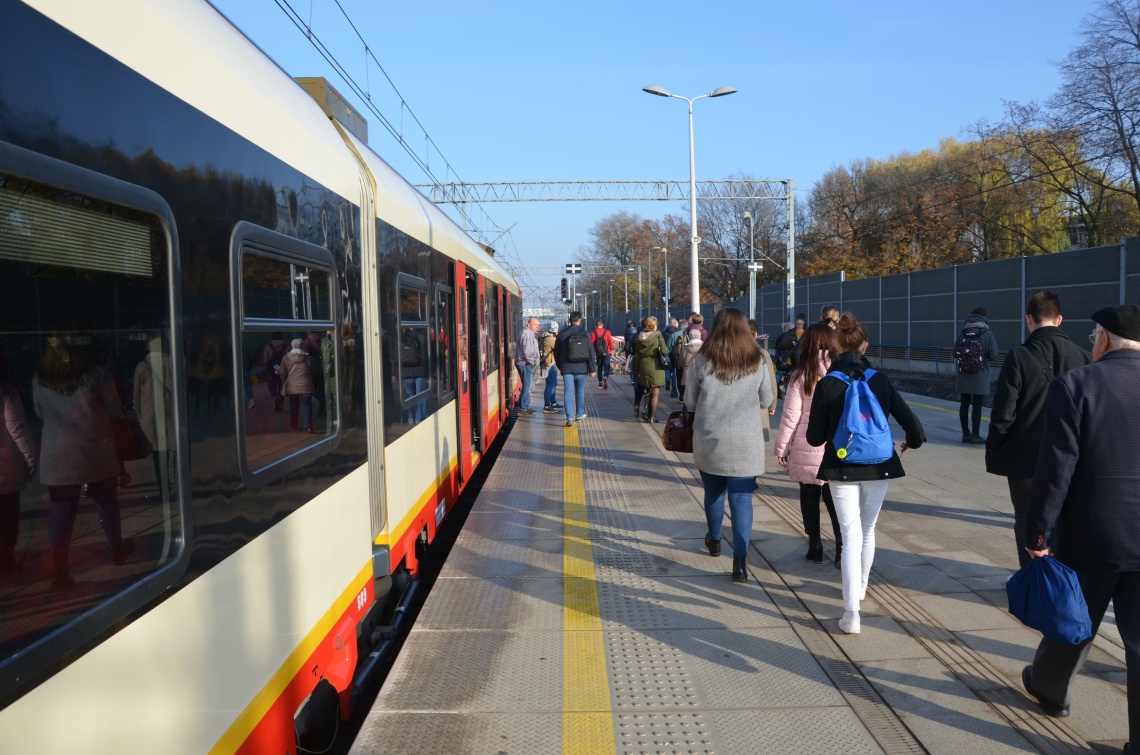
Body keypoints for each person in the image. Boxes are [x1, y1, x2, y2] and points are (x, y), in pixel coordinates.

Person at [1021, 305, 1140, 753]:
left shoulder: (1075, 386)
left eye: (1094, 336)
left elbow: (1055, 472)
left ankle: (1052, 690)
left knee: (1074, 621)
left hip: (1092, 535)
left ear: (1105, 339)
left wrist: (1037, 536)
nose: (1092, 343)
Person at [807, 312, 925, 634]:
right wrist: (912, 442)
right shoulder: (880, 379)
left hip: (841, 467)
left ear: (836, 347)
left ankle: (851, 614)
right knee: (868, 528)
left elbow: (814, 438)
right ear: (865, 344)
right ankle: (860, 586)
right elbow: (909, 420)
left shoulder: (829, 383)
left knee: (849, 535)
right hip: (878, 466)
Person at [986, 292, 1089, 567]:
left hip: (1025, 458)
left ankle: (1031, 576)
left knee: (1025, 516)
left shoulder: (1018, 356)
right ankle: (1061, 576)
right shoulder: (1083, 358)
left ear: (1028, 319)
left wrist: (996, 445)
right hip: (1071, 457)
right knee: (1064, 516)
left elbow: (1003, 413)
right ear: (1060, 319)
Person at [34, 334, 133, 590]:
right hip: (94, 453)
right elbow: (115, 409)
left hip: (56, 455)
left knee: (61, 513)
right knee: (106, 502)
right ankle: (116, 550)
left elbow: (38, 411)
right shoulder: (97, 375)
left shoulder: (40, 378)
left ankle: (59, 572)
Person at [684, 308, 774, 583]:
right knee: (742, 499)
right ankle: (740, 562)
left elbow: (689, 402)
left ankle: (714, 539)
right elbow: (766, 399)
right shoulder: (757, 359)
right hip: (747, 441)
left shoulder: (701, 360)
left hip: (711, 439)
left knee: (714, 494)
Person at [776, 324, 843, 567]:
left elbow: (791, 416)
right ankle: (841, 548)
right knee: (835, 498)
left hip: (807, 443)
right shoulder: (841, 371)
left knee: (808, 494)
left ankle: (814, 544)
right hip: (836, 447)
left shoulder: (801, 373)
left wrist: (782, 447)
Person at [0, 354, 36, 573]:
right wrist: (30, 459)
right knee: (8, 515)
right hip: (6, 470)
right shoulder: (6, 391)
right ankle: (7, 559)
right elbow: (17, 429)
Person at [954, 306, 999, 444]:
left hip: (963, 374)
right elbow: (994, 355)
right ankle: (975, 435)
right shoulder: (987, 334)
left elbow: (954, 353)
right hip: (980, 375)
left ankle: (965, 434)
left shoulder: (963, 333)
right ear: (985, 318)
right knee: (977, 405)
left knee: (965, 403)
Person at [554, 311, 596, 427]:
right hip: (581, 367)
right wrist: (592, 369)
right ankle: (579, 414)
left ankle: (569, 418)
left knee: (568, 391)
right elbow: (591, 352)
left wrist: (560, 366)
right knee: (580, 391)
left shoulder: (562, 334)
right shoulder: (585, 334)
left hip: (567, 368)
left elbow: (556, 353)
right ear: (579, 321)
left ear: (569, 321)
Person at [634, 316, 669, 423]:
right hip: (656, 365)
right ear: (653, 326)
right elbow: (665, 351)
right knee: (655, 392)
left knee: (647, 390)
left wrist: (638, 369)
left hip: (644, 365)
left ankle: (645, 409)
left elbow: (637, 355)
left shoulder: (640, 336)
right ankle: (652, 416)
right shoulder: (658, 335)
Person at [279, 338, 316, 432]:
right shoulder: (308, 358)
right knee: (306, 404)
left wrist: (284, 381)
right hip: (306, 385)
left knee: (293, 405)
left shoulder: (286, 358)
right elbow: (314, 371)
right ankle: (308, 426)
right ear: (302, 346)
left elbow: (282, 372)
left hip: (292, 386)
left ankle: (294, 423)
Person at [750, 319, 778, 441]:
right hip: (760, 405)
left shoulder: (734, 354)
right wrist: (772, 405)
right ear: (756, 334)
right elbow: (771, 381)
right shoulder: (762, 354)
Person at [516, 317, 540, 416]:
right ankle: (522, 408)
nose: (537, 327)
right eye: (535, 325)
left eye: (538, 325)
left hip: (526, 363)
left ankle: (526, 406)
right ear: (529, 324)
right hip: (526, 364)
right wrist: (532, 362)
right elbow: (527, 351)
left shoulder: (529, 333)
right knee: (527, 386)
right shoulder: (527, 334)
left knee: (528, 385)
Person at [540, 322, 563, 413]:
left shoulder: (547, 337)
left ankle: (553, 402)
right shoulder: (550, 339)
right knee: (550, 384)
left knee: (553, 383)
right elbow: (559, 348)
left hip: (551, 363)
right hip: (549, 364)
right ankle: (547, 405)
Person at [676, 328, 702, 403]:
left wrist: (683, 367)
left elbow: (681, 361)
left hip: (687, 372)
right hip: (701, 371)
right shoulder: (704, 347)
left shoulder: (685, 348)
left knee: (688, 393)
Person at [666, 323, 691, 398]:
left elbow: (669, 347)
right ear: (686, 325)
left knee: (677, 375)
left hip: (677, 358)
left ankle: (678, 393)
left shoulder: (674, 334)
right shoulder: (690, 333)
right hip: (690, 359)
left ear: (679, 326)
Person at [590, 319, 614, 390]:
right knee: (607, 367)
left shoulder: (593, 333)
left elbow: (592, 344)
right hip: (607, 352)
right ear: (602, 325)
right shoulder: (607, 332)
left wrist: (596, 351)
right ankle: (605, 377)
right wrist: (609, 349)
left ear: (595, 326)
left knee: (599, 367)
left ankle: (600, 382)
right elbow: (611, 344)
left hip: (598, 353)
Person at [662, 318, 681, 392]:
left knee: (667, 368)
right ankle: (674, 389)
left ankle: (667, 380)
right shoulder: (677, 332)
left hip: (666, 353)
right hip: (674, 353)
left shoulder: (664, 332)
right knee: (674, 371)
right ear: (676, 324)